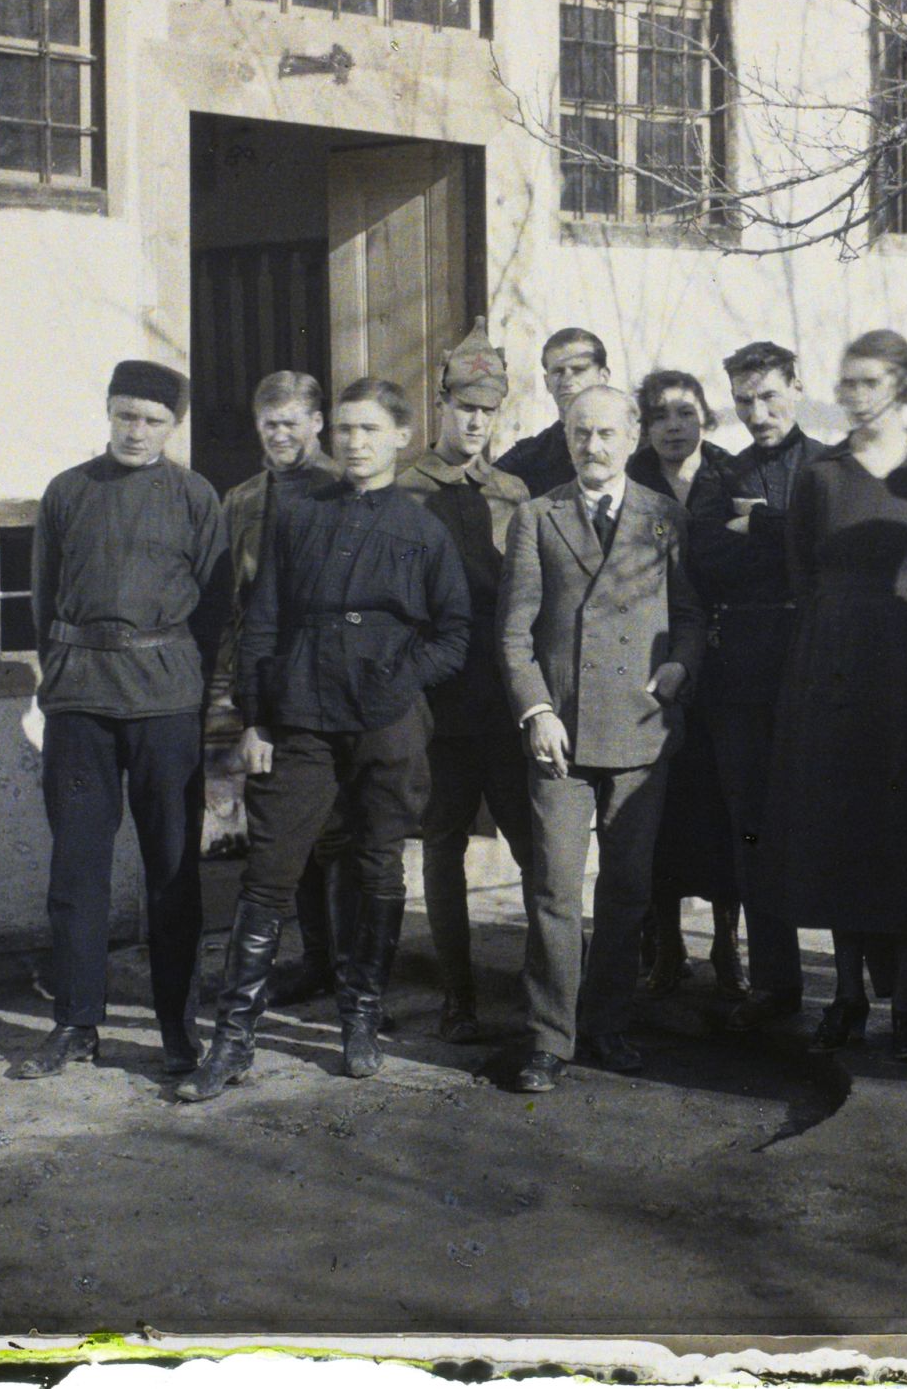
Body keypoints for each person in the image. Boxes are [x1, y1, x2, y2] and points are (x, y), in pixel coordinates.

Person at [175, 379, 471, 1101]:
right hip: (300, 715)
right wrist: (258, 717)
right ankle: (232, 1040)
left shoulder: (425, 527)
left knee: (377, 865)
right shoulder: (296, 511)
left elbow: (455, 634)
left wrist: (399, 681)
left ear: (402, 436)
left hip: (386, 724)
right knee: (270, 871)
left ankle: (361, 1019)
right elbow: (264, 620)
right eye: (344, 429)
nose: (355, 442)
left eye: (371, 429)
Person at [762, 330, 907, 1063]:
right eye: (845, 382)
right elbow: (801, 569)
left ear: (904, 388)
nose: (852, 395)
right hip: (829, 673)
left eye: (868, 383)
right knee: (836, 830)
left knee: (905, 830)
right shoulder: (819, 474)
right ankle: (848, 993)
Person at [18, 360, 230, 1080]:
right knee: (76, 867)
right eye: (126, 415)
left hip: (165, 702)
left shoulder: (196, 497)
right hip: (80, 701)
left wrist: (187, 683)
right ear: (108, 412)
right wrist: (59, 679)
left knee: (172, 868)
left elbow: (216, 605)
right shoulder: (67, 491)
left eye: (153, 420)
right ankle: (76, 1023)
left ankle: (177, 1029)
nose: (137, 431)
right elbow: (44, 599)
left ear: (175, 426)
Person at [498, 385, 706, 1093]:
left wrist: (678, 668)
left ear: (632, 436)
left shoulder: (663, 517)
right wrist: (537, 711)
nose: (594, 446)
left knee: (626, 889)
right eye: (581, 433)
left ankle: (608, 1023)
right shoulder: (536, 516)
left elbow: (690, 617)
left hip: (640, 729)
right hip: (559, 738)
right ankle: (548, 1037)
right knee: (554, 890)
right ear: (566, 434)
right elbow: (514, 632)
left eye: (608, 433)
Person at [396, 318, 536, 1045]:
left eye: (487, 410)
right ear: (440, 404)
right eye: (463, 406)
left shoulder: (514, 491)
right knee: (443, 849)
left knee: (533, 847)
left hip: (505, 701)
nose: (475, 421)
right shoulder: (404, 493)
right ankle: (458, 997)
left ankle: (545, 995)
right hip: (439, 703)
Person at [695, 342, 831, 1033]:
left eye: (770, 396)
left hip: (819, 670)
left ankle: (881, 988)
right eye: (744, 401)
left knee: (838, 825)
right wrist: (777, 543)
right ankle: (777, 983)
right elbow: (709, 557)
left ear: (797, 388)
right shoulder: (723, 474)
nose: (757, 413)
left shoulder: (831, 466)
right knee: (753, 830)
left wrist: (767, 525)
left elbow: (832, 553)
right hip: (745, 675)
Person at [210, 371, 354, 1013]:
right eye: (270, 423)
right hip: (263, 686)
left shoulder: (341, 490)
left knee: (339, 833)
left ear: (318, 423)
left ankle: (349, 971)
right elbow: (231, 608)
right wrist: (230, 701)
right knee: (279, 831)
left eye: (294, 421)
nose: (281, 435)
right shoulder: (240, 500)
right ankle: (314, 960)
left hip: (328, 685)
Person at [626, 369, 744, 997]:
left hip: (724, 670)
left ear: (704, 417)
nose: (674, 426)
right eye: (661, 415)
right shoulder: (630, 480)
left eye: (686, 412)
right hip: (653, 666)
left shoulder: (732, 477)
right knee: (659, 814)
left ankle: (728, 948)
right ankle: (666, 947)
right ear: (645, 427)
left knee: (721, 813)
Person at [495, 328, 612, 497]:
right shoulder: (531, 455)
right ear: (547, 382)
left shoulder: (634, 446)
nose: (567, 380)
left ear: (603, 377)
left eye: (578, 370)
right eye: (558, 371)